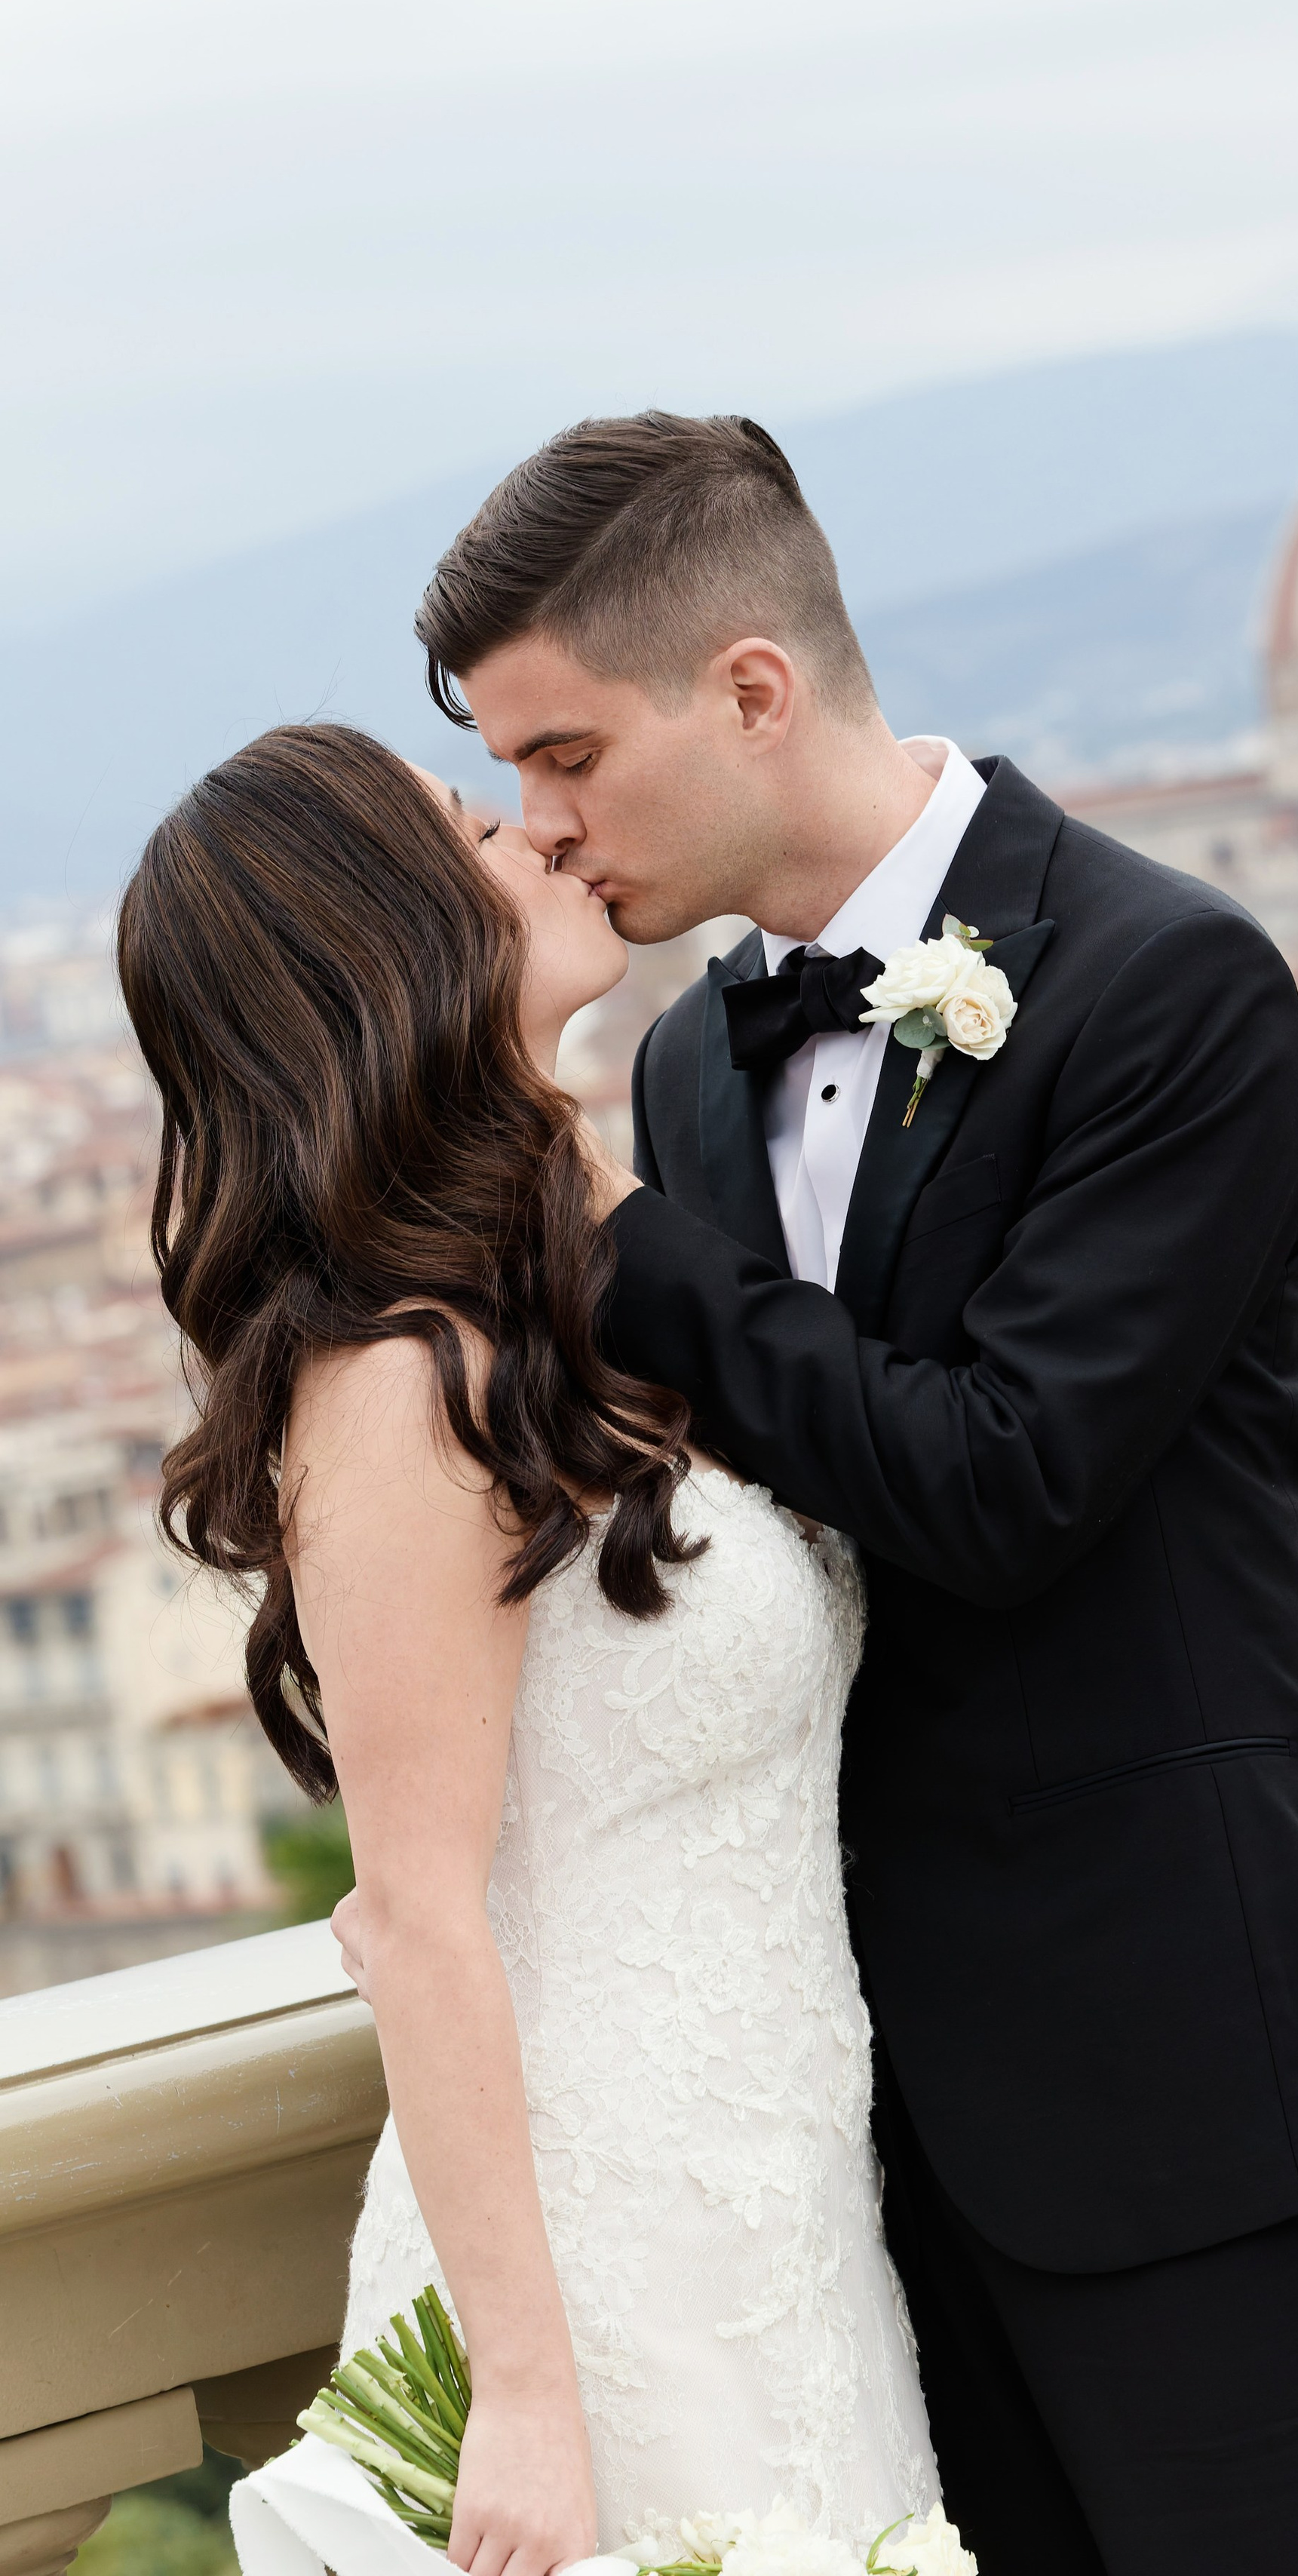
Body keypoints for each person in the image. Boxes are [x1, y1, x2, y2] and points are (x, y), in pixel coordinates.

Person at [408, 410, 1298, 2576]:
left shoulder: (1163, 986)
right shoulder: (681, 1070)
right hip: (852, 2159)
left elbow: (1011, 1484)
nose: (539, 830)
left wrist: (613, 1232)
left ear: (751, 689)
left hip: (1191, 2090)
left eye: (564, 757)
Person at [117, 723, 944, 2576]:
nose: (543, 839)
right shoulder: (407, 1378)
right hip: (596, 2286)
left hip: (779, 2238)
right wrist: (528, 2395)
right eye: (479, 827)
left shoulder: (562, 1292)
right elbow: (413, 1911)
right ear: (386, 939)